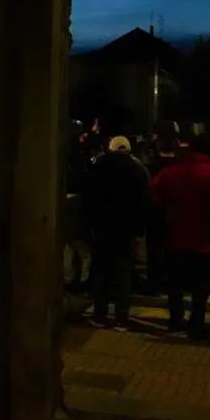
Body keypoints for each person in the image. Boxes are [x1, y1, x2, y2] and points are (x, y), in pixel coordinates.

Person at [150, 133, 210, 340]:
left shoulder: (171, 172)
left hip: (174, 238)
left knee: (175, 284)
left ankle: (176, 320)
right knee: (200, 288)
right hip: (203, 242)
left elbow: (154, 195)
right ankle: (196, 324)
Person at [83, 136, 151, 330]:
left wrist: (90, 224)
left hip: (101, 227)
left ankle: (100, 314)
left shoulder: (98, 167)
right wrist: (139, 230)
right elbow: (143, 203)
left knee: (100, 272)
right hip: (126, 229)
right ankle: (122, 317)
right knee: (123, 274)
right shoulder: (137, 170)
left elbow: (89, 198)